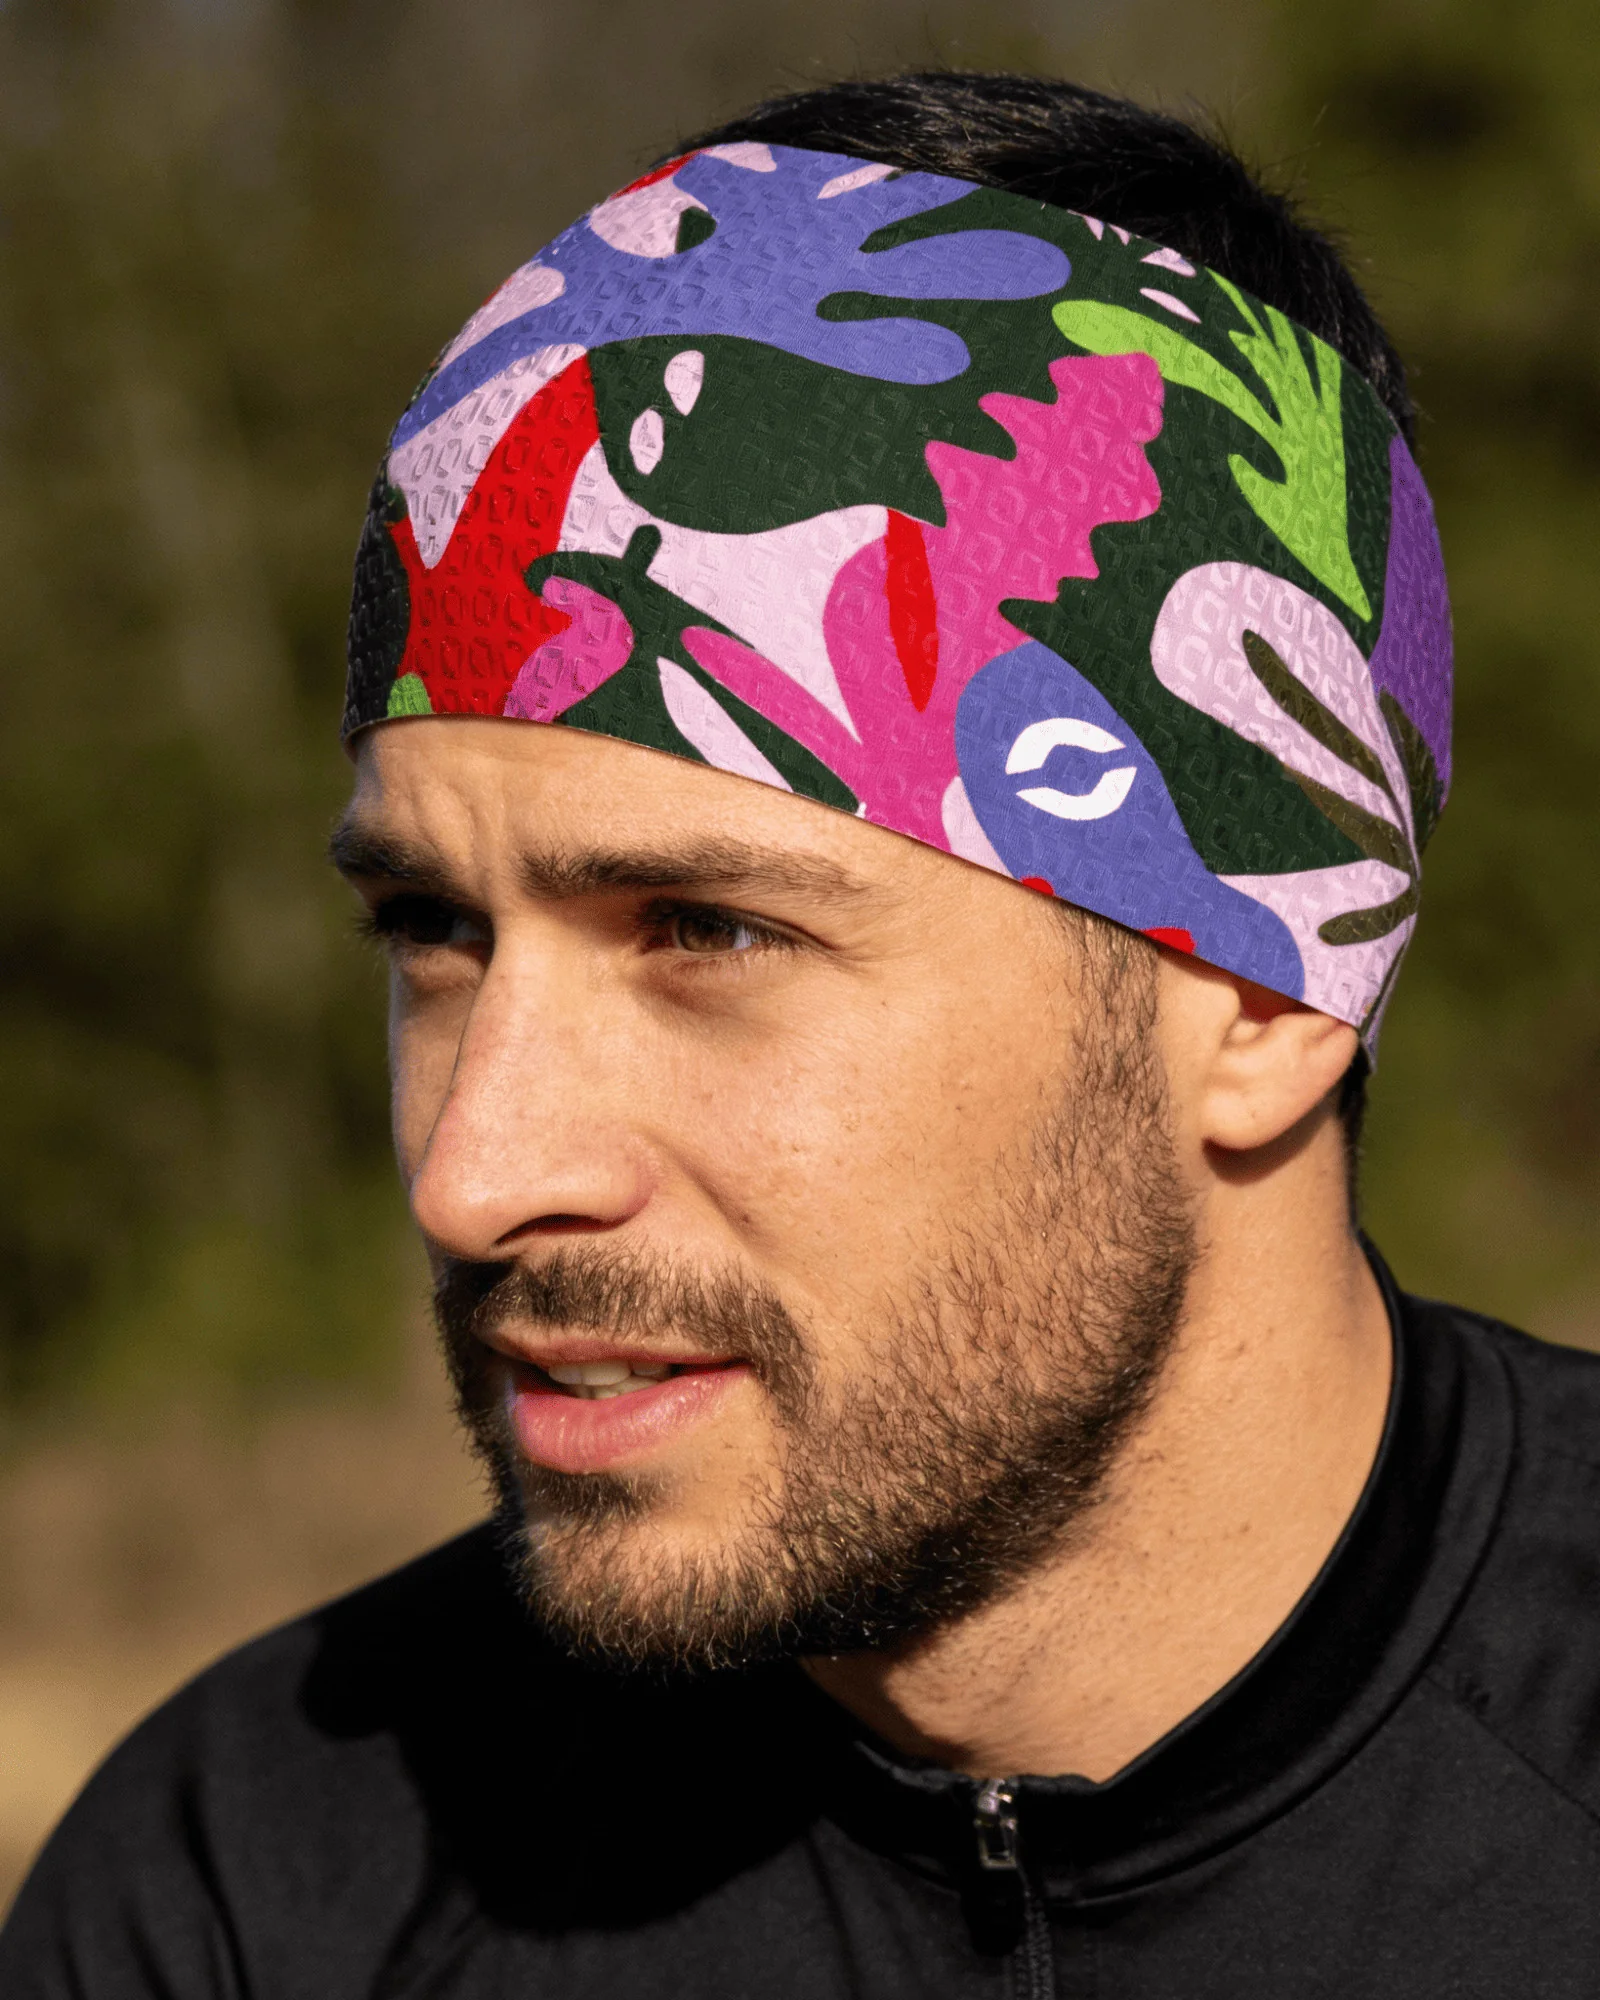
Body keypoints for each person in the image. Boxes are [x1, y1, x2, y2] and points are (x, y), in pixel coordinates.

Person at [5, 69, 1598, 1999]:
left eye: (709, 931)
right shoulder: (256, 1894)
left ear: (1265, 993)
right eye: (433, 931)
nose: (476, 1171)